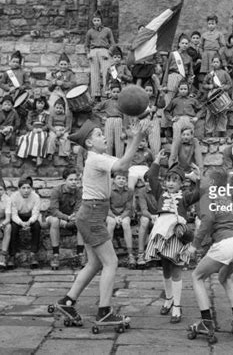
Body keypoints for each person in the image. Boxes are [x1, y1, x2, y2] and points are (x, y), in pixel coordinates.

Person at [54, 118, 149, 327]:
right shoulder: (95, 159)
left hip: (90, 214)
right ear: (89, 143)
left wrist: (132, 140)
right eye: (98, 134)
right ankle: (104, 311)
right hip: (93, 215)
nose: (104, 136)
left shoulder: (100, 156)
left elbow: (124, 161)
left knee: (95, 263)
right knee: (111, 262)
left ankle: (67, 301)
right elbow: (123, 165)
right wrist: (137, 138)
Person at [186, 169, 233, 341]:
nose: (202, 179)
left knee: (197, 276)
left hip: (224, 243)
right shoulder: (223, 196)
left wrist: (194, 246)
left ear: (212, 183)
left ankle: (206, 322)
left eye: (205, 177)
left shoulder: (207, 197)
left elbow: (207, 220)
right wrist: (198, 180)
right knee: (224, 278)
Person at [145, 151, 201, 324]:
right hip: (162, 235)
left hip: (177, 235)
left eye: (174, 180)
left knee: (177, 269)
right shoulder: (160, 194)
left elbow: (199, 193)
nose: (170, 183)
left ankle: (177, 305)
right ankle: (168, 298)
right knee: (166, 268)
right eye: (168, 179)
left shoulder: (184, 197)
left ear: (181, 183)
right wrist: (156, 161)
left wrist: (198, 178)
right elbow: (152, 178)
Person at [46, 169, 85, 270]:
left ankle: (80, 254)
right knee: (54, 221)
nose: (74, 182)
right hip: (55, 217)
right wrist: (66, 218)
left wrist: (74, 216)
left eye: (76, 180)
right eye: (71, 179)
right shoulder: (57, 190)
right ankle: (55, 255)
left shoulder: (79, 191)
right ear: (65, 180)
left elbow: (78, 208)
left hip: (71, 218)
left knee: (82, 221)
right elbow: (54, 210)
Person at [161, 34, 194, 136]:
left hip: (182, 81)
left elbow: (190, 73)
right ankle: (165, 127)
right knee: (168, 102)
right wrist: (164, 83)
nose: (184, 45)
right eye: (182, 43)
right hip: (172, 77)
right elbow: (166, 70)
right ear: (179, 44)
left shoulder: (189, 58)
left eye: (186, 43)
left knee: (178, 103)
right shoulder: (172, 54)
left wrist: (190, 82)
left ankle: (174, 126)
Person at [9, 176, 42, 269]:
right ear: (19, 189)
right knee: (13, 228)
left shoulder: (36, 197)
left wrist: (29, 221)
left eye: (28, 188)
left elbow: (36, 213)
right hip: (18, 217)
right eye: (23, 188)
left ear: (31, 188)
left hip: (30, 216)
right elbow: (13, 214)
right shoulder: (14, 197)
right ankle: (12, 255)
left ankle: (33, 254)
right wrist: (20, 223)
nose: (26, 190)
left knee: (37, 226)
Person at [85, 10, 116, 100]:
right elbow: (86, 45)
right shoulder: (90, 32)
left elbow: (113, 43)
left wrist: (109, 52)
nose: (96, 22)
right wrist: (88, 54)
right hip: (93, 52)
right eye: (94, 20)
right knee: (94, 73)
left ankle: (107, 93)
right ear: (92, 21)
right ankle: (96, 94)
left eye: (98, 20)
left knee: (107, 72)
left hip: (104, 51)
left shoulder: (107, 30)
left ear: (101, 21)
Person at [107, 171, 135, 268]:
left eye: (123, 179)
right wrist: (114, 217)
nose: (121, 181)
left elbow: (128, 208)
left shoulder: (129, 191)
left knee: (126, 224)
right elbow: (106, 207)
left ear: (126, 181)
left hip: (124, 214)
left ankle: (130, 254)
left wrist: (121, 217)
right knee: (111, 223)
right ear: (114, 180)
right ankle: (108, 254)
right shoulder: (109, 190)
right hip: (110, 214)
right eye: (119, 178)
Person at [165, 80, 203, 152]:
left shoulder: (193, 100)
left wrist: (196, 118)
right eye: (181, 89)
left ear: (188, 90)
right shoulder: (175, 100)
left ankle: (189, 158)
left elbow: (201, 109)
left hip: (189, 120)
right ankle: (174, 160)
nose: (183, 91)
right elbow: (166, 111)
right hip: (178, 120)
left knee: (189, 140)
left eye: (185, 89)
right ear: (178, 89)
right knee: (176, 140)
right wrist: (171, 118)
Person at [94, 81, 129, 158]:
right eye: (114, 92)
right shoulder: (106, 102)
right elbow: (95, 110)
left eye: (118, 92)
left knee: (119, 142)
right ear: (110, 92)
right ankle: (108, 160)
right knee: (108, 142)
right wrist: (101, 117)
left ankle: (119, 161)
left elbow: (125, 117)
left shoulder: (122, 103)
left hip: (119, 121)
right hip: (109, 121)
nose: (116, 93)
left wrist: (124, 131)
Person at [202, 55, 232, 139]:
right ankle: (209, 131)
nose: (215, 64)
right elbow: (204, 85)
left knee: (223, 113)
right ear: (211, 63)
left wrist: (224, 87)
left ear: (221, 63)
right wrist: (209, 86)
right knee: (210, 113)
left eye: (217, 62)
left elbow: (230, 84)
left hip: (222, 94)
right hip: (211, 94)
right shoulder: (209, 74)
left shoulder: (224, 73)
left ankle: (221, 130)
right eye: (214, 62)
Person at [16, 96, 49, 167]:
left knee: (41, 138)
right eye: (38, 103)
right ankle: (21, 158)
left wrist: (42, 129)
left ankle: (38, 157)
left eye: (42, 103)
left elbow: (48, 124)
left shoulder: (46, 114)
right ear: (35, 104)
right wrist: (32, 129)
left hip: (41, 130)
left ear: (44, 104)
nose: (40, 105)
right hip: (33, 129)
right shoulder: (31, 113)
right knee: (26, 138)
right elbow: (28, 123)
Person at [135, 173, 159, 268]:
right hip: (149, 216)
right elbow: (144, 210)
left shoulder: (161, 191)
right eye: (147, 181)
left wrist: (158, 217)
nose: (149, 183)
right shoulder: (142, 191)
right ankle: (141, 253)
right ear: (145, 182)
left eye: (152, 181)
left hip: (160, 215)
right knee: (144, 221)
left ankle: (158, 253)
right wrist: (152, 216)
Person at [0, 95, 21, 165]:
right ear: (2, 105)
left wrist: (12, 128)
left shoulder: (14, 113)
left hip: (10, 130)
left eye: (9, 104)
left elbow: (17, 123)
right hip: (2, 130)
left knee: (13, 136)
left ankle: (12, 154)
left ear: (12, 105)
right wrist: (1, 129)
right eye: (5, 104)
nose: (7, 106)